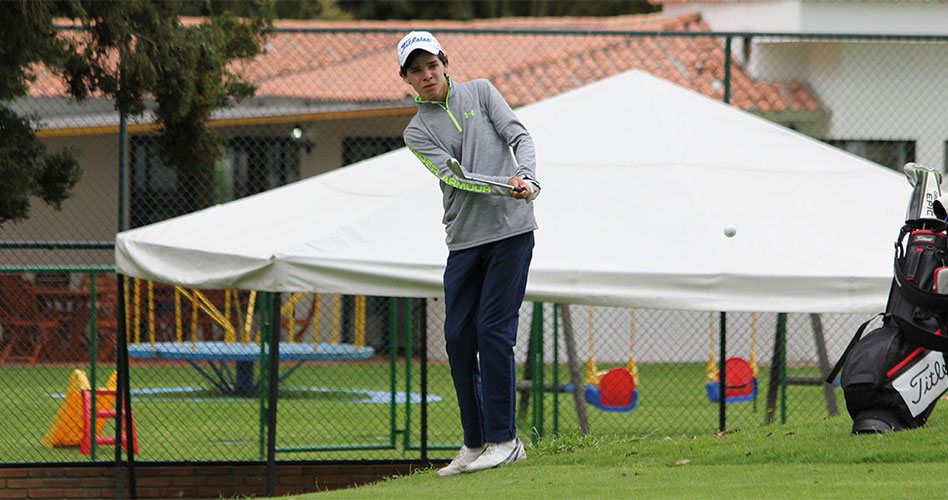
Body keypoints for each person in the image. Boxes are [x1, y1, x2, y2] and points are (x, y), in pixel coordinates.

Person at [397, 30, 541, 477]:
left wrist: (529, 180)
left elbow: (520, 137)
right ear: (405, 78)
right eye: (415, 70)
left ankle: (505, 440)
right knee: (459, 339)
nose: (427, 75)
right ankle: (475, 443)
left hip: (511, 233)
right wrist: (507, 186)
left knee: (493, 331)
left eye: (431, 65)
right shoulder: (415, 131)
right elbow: (456, 178)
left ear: (444, 62)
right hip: (463, 241)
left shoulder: (481, 91)